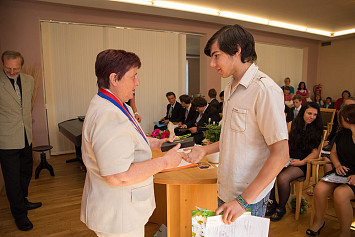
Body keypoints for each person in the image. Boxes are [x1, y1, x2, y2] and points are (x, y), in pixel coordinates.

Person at [185, 24, 289, 224]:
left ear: (237, 50)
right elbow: (233, 137)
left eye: (216, 55)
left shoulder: (264, 90)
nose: (212, 63)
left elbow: (281, 154)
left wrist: (243, 201)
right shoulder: (231, 87)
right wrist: (204, 150)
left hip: (248, 197)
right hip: (227, 189)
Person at [80, 49, 185, 237]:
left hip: (122, 209)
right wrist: (165, 162)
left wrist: (156, 143)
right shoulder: (108, 115)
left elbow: (129, 138)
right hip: (119, 214)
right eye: (133, 76)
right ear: (114, 78)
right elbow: (117, 175)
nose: (138, 82)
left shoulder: (117, 105)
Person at [0, 51, 42, 231]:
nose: (11, 71)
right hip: (6, 139)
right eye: (7, 68)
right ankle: (19, 214)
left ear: (21, 66)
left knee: (26, 172)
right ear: (3, 64)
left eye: (15, 68)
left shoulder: (28, 80)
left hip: (26, 136)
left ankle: (22, 201)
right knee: (12, 179)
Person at [266, 102, 323, 221]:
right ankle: (272, 203)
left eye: (315, 114)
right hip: (288, 157)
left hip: (305, 162)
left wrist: (302, 162)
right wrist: (284, 157)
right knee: (269, 173)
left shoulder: (317, 130)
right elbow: (284, 144)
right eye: (309, 113)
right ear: (303, 112)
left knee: (283, 178)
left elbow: (315, 153)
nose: (312, 117)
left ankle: (281, 208)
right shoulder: (292, 124)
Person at [307, 104, 355, 237]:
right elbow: (333, 153)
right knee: (320, 188)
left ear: (346, 118)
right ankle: (319, 221)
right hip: (343, 170)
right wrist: (338, 165)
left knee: (340, 194)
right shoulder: (342, 134)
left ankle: (345, 232)